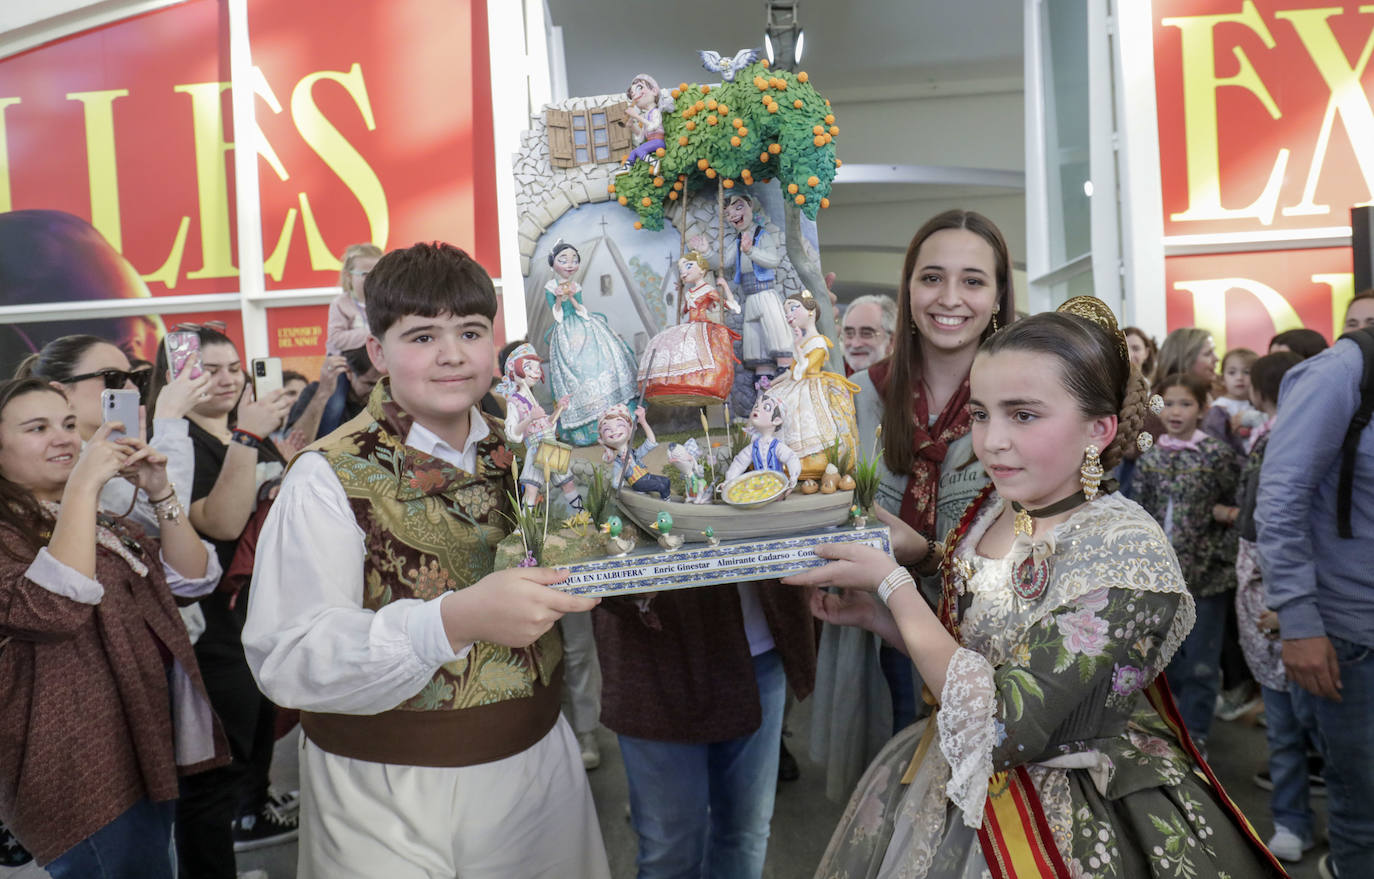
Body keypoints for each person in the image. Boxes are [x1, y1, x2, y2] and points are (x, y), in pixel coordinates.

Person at [787, 300, 1283, 878]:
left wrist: (893, 584)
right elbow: (981, 654)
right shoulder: (999, 508)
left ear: (1099, 429)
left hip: (1071, 802)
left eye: (1023, 415)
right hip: (952, 779)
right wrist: (886, 604)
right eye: (980, 413)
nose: (990, 442)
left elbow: (1000, 726)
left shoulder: (1125, 553)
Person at [243, 242, 609, 878]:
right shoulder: (327, 477)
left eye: (470, 331)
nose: (452, 354)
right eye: (422, 335)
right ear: (378, 351)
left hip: (539, 770)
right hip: (385, 794)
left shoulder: (527, 454)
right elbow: (288, 656)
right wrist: (450, 621)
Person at [810, 209, 1012, 802]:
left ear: (999, 295)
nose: (950, 298)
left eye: (973, 280)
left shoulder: (1025, 401)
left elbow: (1033, 558)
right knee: (885, 810)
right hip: (871, 635)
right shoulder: (858, 398)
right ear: (908, 289)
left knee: (970, 815)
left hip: (987, 657)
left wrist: (919, 554)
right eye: (932, 278)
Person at [0, 377, 226, 877]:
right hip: (75, 764)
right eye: (37, 428)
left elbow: (191, 580)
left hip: (143, 733)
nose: (63, 438)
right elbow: (53, 607)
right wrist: (84, 481)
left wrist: (160, 490)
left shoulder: (97, 514)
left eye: (66, 424)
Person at [145, 325, 296, 875]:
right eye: (209, 370)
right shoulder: (174, 446)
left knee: (252, 750)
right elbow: (221, 521)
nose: (229, 378)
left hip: (258, 618)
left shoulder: (238, 429)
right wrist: (249, 441)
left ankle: (243, 834)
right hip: (210, 629)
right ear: (176, 378)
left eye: (234, 366)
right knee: (211, 780)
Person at [1256, 316, 1374, 879]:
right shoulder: (1342, 372)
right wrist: (1299, 620)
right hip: (1356, 637)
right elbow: (1279, 501)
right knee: (1366, 812)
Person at [1230, 351, 1314, 863]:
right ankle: (1292, 819)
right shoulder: (1270, 438)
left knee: (1315, 732)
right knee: (1285, 731)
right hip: (1267, 603)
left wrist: (1288, 606)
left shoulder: (1290, 441)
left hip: (1295, 609)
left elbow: (1285, 529)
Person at [1130, 373, 1241, 751]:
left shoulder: (1216, 455)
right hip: (1162, 580)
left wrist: (1219, 557)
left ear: (1203, 408)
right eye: (1169, 403)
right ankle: (1168, 732)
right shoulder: (1152, 457)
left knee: (1202, 663)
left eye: (1186, 404)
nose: (1176, 412)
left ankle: (1197, 737)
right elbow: (1139, 513)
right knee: (1165, 660)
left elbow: (1238, 511)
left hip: (1207, 579)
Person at [15, 334, 209, 534]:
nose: (132, 389)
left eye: (137, 378)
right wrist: (170, 416)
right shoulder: (61, 457)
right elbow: (155, 526)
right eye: (113, 378)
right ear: (60, 392)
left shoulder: (113, 447)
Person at [542, 241, 639, 446]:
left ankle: (616, 421)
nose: (570, 264)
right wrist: (559, 298)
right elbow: (557, 315)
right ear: (553, 263)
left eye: (574, 260)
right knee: (576, 372)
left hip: (585, 325)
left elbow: (581, 308)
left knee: (603, 360)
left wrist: (572, 298)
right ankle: (586, 430)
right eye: (564, 260)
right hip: (566, 331)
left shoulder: (576, 285)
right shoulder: (550, 287)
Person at [765, 289, 861, 480]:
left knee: (800, 413)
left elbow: (805, 369)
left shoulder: (818, 342)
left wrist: (798, 348)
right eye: (786, 312)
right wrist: (772, 384)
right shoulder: (802, 340)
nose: (788, 315)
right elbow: (792, 372)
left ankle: (811, 461)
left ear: (810, 311)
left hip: (811, 385)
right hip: (797, 382)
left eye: (793, 309)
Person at [638, 252, 740, 405]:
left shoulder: (707, 290)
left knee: (703, 352)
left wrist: (725, 286)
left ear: (701, 270)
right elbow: (686, 310)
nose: (683, 272)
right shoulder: (690, 292)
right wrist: (681, 290)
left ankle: (704, 383)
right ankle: (678, 384)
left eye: (688, 267)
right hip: (691, 325)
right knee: (671, 346)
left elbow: (726, 303)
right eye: (681, 270)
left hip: (702, 326)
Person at [496, 343, 583, 513]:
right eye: (529, 367)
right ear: (516, 371)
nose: (536, 372)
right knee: (531, 489)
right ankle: (525, 526)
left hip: (550, 444)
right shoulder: (514, 402)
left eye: (537, 368)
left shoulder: (532, 397)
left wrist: (559, 408)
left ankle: (581, 514)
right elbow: (513, 433)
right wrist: (529, 418)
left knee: (568, 482)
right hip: (536, 449)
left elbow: (546, 425)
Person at [284, 346, 380, 442]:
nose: (376, 390)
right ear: (349, 372)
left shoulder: (383, 397)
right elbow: (295, 443)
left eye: (381, 383)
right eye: (370, 384)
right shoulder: (317, 392)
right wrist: (323, 393)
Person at [724, 393, 803, 492]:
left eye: (766, 407)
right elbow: (740, 462)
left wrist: (793, 476)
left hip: (777, 487)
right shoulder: (753, 447)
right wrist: (729, 480)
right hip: (759, 489)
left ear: (776, 420)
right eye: (756, 405)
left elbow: (791, 457)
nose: (757, 409)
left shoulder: (777, 446)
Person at [325, 243, 383, 355]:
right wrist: (373, 333)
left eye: (377, 273)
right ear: (349, 276)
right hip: (347, 362)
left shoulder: (386, 301)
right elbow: (336, 339)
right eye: (365, 274)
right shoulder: (340, 304)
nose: (372, 278)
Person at [840, 294, 897, 375]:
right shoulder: (829, 376)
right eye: (849, 334)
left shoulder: (906, 382)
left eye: (866, 334)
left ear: (891, 341)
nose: (855, 344)